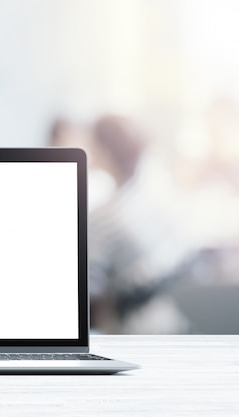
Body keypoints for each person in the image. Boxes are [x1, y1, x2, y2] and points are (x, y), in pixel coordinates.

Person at [88, 115, 191, 334]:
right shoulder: (146, 198)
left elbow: (87, 289)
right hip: (169, 319)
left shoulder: (104, 216)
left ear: (104, 151)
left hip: (133, 330)